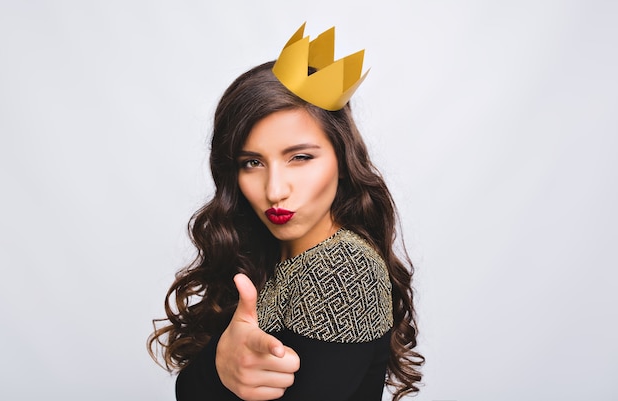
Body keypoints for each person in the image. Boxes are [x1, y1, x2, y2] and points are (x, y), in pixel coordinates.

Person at [148, 24, 424, 400]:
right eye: (252, 163)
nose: (274, 190)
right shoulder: (267, 254)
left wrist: (214, 374)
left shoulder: (340, 268)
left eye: (300, 157)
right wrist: (220, 367)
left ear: (342, 160)